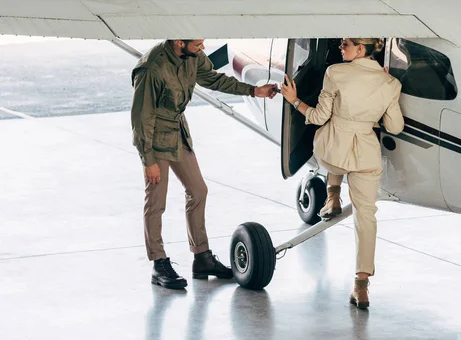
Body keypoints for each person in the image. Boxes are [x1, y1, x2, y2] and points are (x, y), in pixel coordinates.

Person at [131, 39, 277, 290]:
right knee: (156, 200)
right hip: (154, 138)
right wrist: (148, 160)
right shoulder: (152, 68)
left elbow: (214, 79)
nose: (203, 47)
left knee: (198, 191)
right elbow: (141, 117)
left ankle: (202, 257)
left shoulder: (192, 55)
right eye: (197, 43)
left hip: (177, 132)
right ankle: (159, 263)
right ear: (179, 41)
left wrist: (254, 91)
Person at [280, 38, 404, 309]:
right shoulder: (391, 83)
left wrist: (295, 100)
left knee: (330, 152)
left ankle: (332, 195)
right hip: (367, 154)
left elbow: (318, 117)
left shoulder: (334, 72)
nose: (339, 46)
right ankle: (361, 286)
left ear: (361, 50)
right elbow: (395, 126)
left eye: (346, 43)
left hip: (333, 150)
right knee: (366, 215)